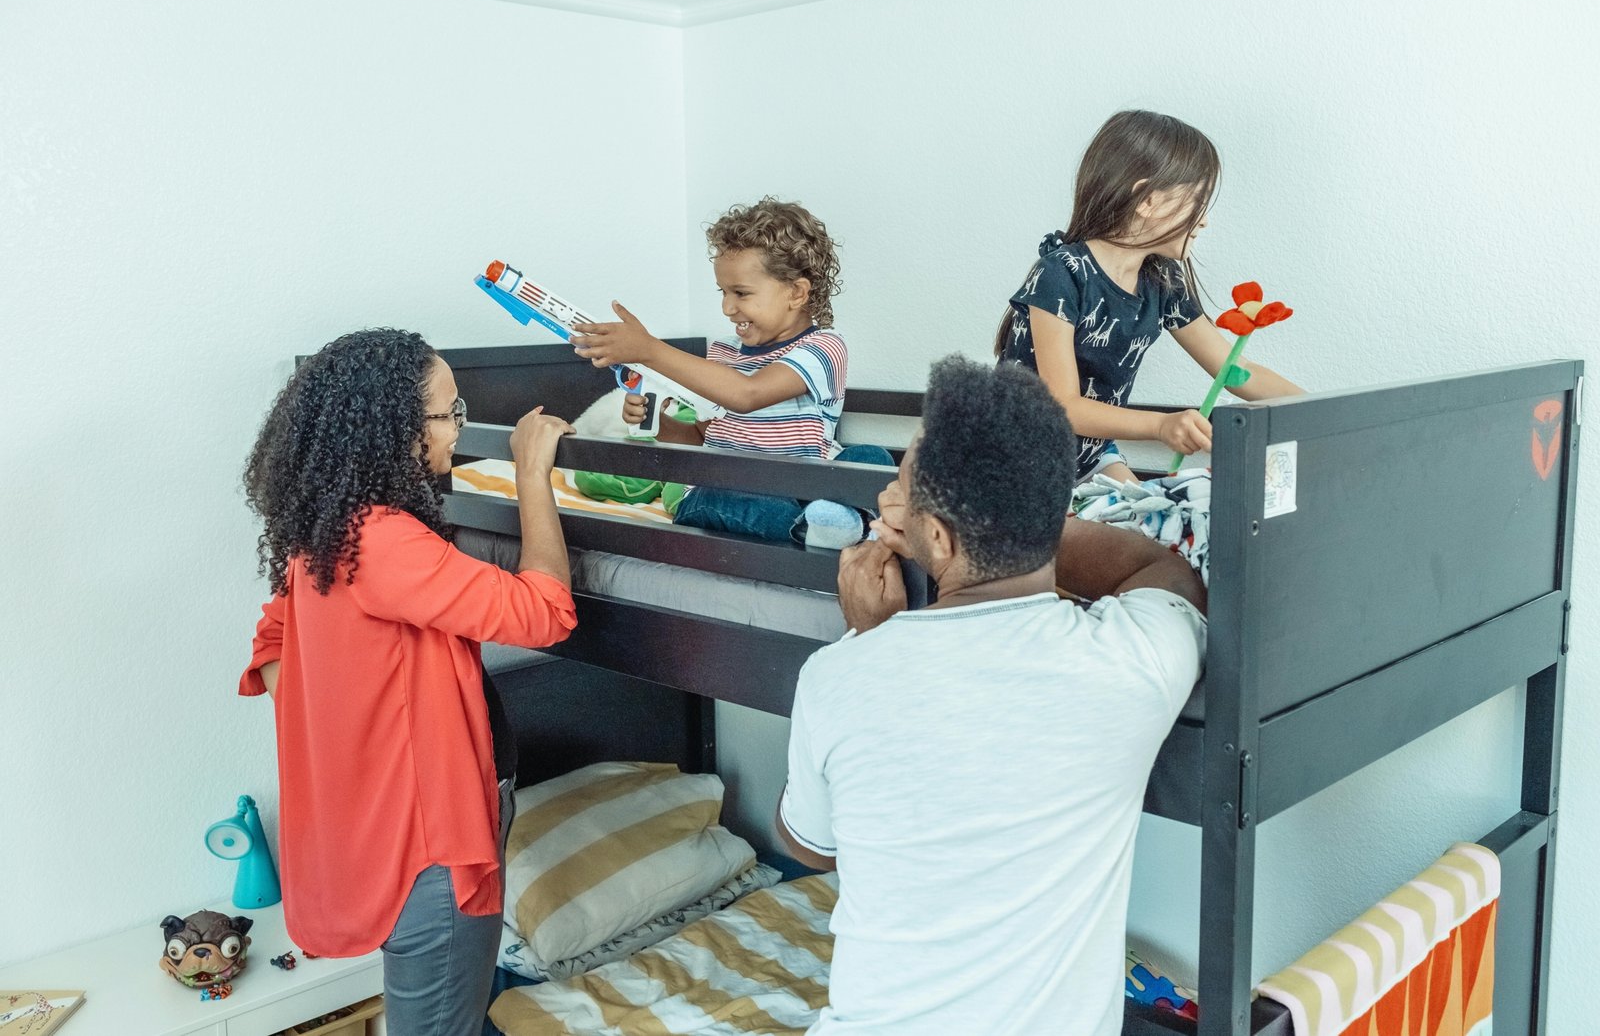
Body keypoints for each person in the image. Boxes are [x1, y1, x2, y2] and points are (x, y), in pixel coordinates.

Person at [776, 356, 1207, 1036]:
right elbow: (1165, 567)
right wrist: (1019, 524)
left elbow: (812, 844)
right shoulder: (1134, 660)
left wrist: (868, 636)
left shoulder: (839, 676)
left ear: (939, 537)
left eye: (903, 488)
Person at [239, 329, 577, 1036]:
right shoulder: (384, 539)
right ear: (394, 427)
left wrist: (351, 715)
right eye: (449, 414)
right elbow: (547, 612)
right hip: (434, 841)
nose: (458, 428)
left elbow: (272, 642)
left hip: (386, 830)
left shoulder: (326, 530)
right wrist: (531, 475)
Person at [996, 109, 1302, 483]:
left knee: (1152, 527)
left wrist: (1324, 412)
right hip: (1014, 465)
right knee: (1123, 537)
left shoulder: (1162, 281)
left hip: (1091, 459)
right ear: (1148, 201)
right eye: (1198, 200)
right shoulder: (1062, 274)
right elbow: (1065, 407)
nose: (1204, 219)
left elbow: (1235, 371)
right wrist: (1160, 426)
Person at [570, 197, 892, 548]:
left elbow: (748, 395)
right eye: (723, 292)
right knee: (723, 499)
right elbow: (703, 435)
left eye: (741, 293)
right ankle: (819, 529)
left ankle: (833, 521)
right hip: (729, 489)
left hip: (803, 487)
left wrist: (650, 350)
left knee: (873, 459)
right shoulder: (722, 353)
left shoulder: (825, 348)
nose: (727, 307)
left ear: (796, 293)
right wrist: (661, 426)